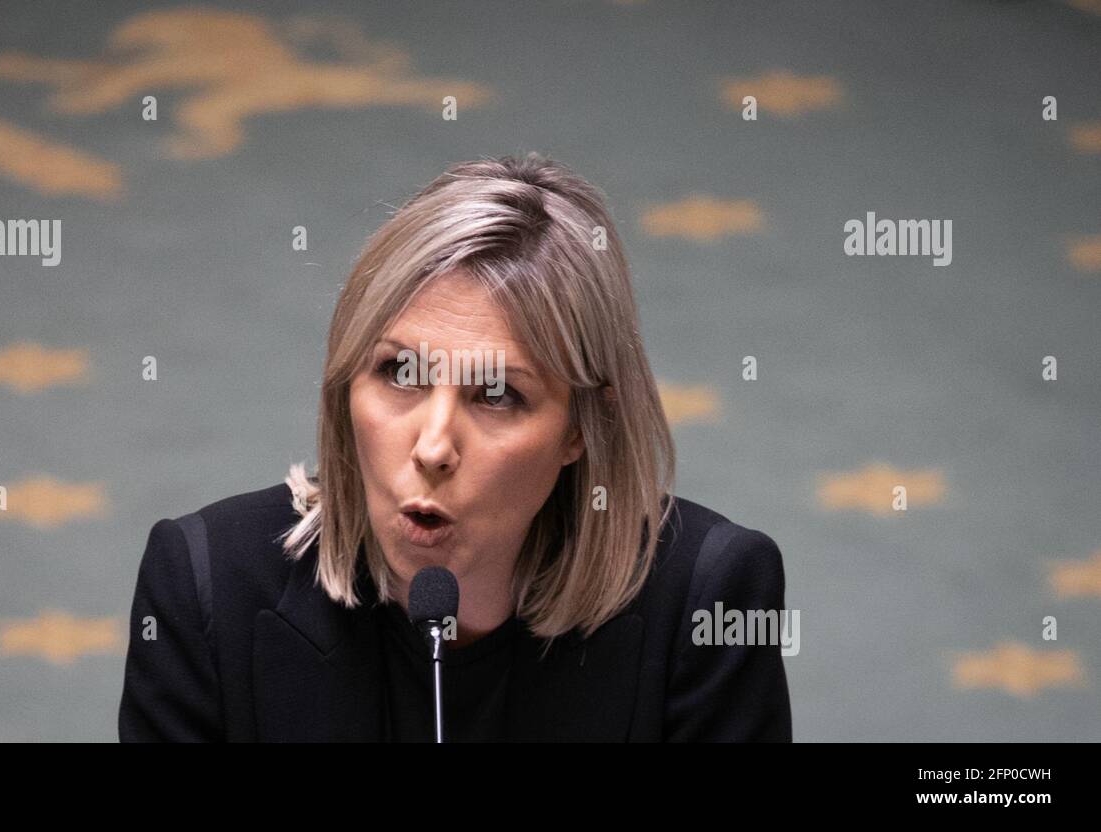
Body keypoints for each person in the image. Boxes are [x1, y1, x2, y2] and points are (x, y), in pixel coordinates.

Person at [118, 153, 792, 742]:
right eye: (398, 374)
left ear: (582, 427)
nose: (434, 447)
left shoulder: (707, 599)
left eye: (498, 395)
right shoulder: (207, 584)